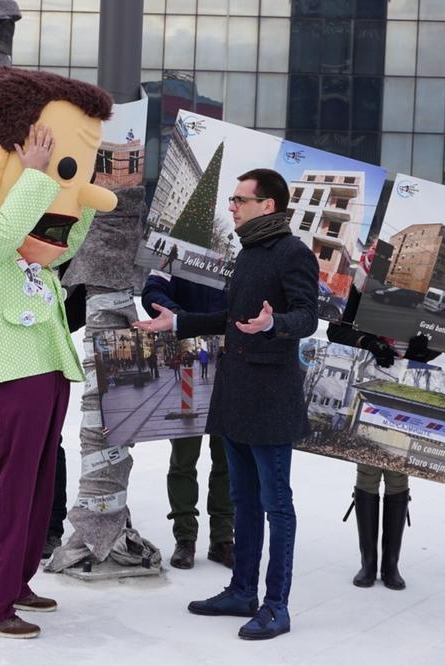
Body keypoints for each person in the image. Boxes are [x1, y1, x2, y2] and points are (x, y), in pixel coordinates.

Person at [0, 67, 117, 639]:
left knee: (38, 490)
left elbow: (73, 239)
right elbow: (3, 233)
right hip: (6, 378)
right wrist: (38, 176)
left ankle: (15, 581)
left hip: (46, 376)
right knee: (8, 490)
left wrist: (80, 188)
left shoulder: (36, 260)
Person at [136, 168, 318, 640]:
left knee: (276, 504)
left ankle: (276, 605)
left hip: (271, 400)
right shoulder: (249, 253)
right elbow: (228, 317)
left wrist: (274, 324)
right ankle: (242, 591)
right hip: (235, 395)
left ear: (268, 206)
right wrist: (176, 323)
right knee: (244, 500)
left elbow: (307, 317)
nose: (231, 205)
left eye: (240, 198)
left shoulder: (291, 253)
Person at [326, 245, 439, 591]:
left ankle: (391, 565)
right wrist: (368, 341)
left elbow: (444, 338)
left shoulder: (423, 297)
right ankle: (368, 562)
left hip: (407, 388)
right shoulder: (360, 292)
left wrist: (425, 349)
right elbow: (336, 331)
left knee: (398, 471)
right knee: (368, 467)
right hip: (371, 383)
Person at [142, 271, 233, 570]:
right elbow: (153, 289)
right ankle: (185, 537)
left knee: (228, 460)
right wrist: (182, 318)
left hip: (232, 365)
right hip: (187, 363)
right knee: (183, 459)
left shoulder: (245, 255)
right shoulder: (181, 249)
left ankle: (223, 539)